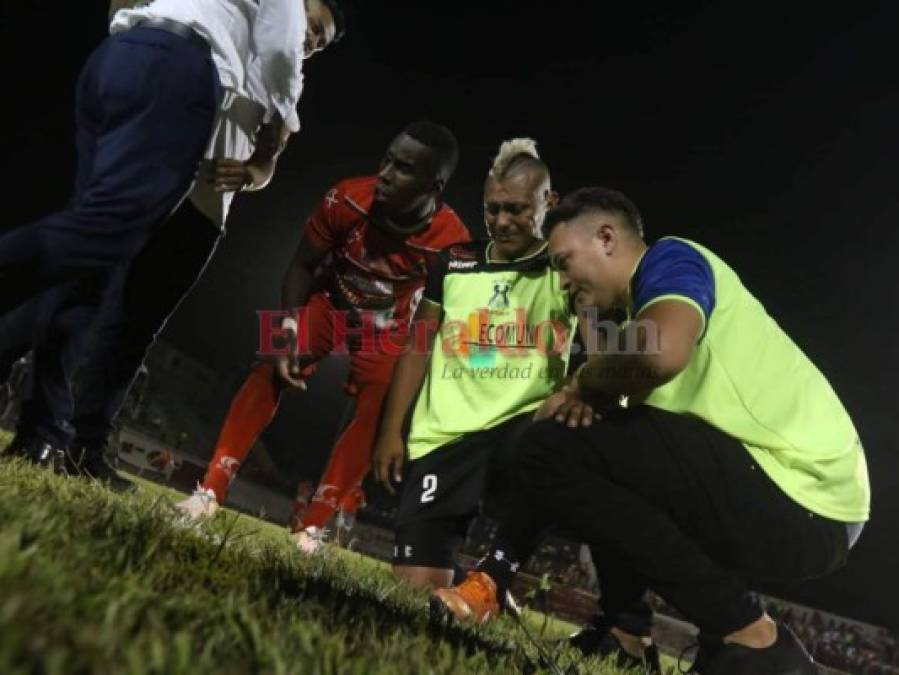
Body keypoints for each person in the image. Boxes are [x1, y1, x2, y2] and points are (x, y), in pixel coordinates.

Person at [433, 187, 870, 675]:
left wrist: (582, 382)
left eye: (563, 262)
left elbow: (662, 353)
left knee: (552, 445)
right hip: (798, 498)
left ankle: (758, 643)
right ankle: (628, 635)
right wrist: (590, 385)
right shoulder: (626, 323)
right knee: (591, 441)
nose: (560, 281)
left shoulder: (670, 260)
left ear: (606, 238)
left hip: (802, 489)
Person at [0, 0, 344, 481]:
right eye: (311, 27)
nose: (310, 40)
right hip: (151, 174)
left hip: (203, 209)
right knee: (79, 285)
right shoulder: (230, 37)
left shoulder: (283, 90)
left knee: (134, 329)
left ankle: (87, 444)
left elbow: (268, 164)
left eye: (320, 42)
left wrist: (248, 174)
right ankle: (37, 422)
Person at [176, 121, 471, 556]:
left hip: (388, 326)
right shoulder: (347, 196)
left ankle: (311, 526)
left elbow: (439, 322)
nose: (386, 173)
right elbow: (300, 265)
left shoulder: (452, 243)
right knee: (268, 358)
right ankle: (210, 490)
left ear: (435, 185)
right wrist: (286, 332)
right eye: (387, 159)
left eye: (404, 168)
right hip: (329, 303)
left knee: (382, 402)